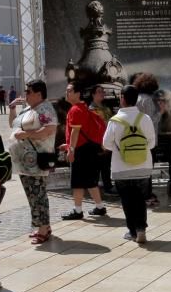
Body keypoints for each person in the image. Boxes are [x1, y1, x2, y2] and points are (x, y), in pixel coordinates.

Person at [104, 85, 157, 243]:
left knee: (127, 200)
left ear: (122, 99)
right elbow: (152, 143)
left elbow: (106, 144)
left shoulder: (114, 120)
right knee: (140, 199)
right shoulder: (145, 119)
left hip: (121, 168)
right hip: (143, 166)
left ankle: (132, 232)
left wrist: (119, 149)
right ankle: (141, 229)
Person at [11, 80, 58, 245]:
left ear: (39, 93)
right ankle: (41, 225)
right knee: (31, 194)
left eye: (29, 91)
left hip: (38, 160)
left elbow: (49, 129)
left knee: (38, 194)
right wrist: (12, 109)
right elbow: (13, 124)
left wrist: (26, 134)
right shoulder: (29, 109)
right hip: (25, 162)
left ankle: (44, 228)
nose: (26, 94)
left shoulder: (45, 109)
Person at [61, 81, 107, 220]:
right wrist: (68, 145)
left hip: (81, 150)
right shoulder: (83, 108)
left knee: (78, 182)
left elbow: (75, 131)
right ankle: (99, 207)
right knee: (90, 181)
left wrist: (72, 150)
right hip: (89, 149)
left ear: (78, 93)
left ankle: (78, 210)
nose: (66, 93)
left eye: (69, 90)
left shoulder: (75, 109)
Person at [133, 73, 163, 207]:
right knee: (148, 168)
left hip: (137, 137)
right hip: (149, 139)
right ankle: (147, 194)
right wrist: (161, 111)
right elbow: (151, 119)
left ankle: (141, 193)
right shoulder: (148, 100)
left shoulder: (137, 98)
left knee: (141, 167)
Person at [90, 85, 115, 195]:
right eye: (99, 92)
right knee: (96, 167)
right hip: (96, 142)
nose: (102, 93)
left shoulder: (106, 108)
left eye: (103, 92)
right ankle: (94, 189)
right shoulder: (91, 109)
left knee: (106, 166)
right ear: (93, 94)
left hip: (107, 140)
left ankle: (107, 187)